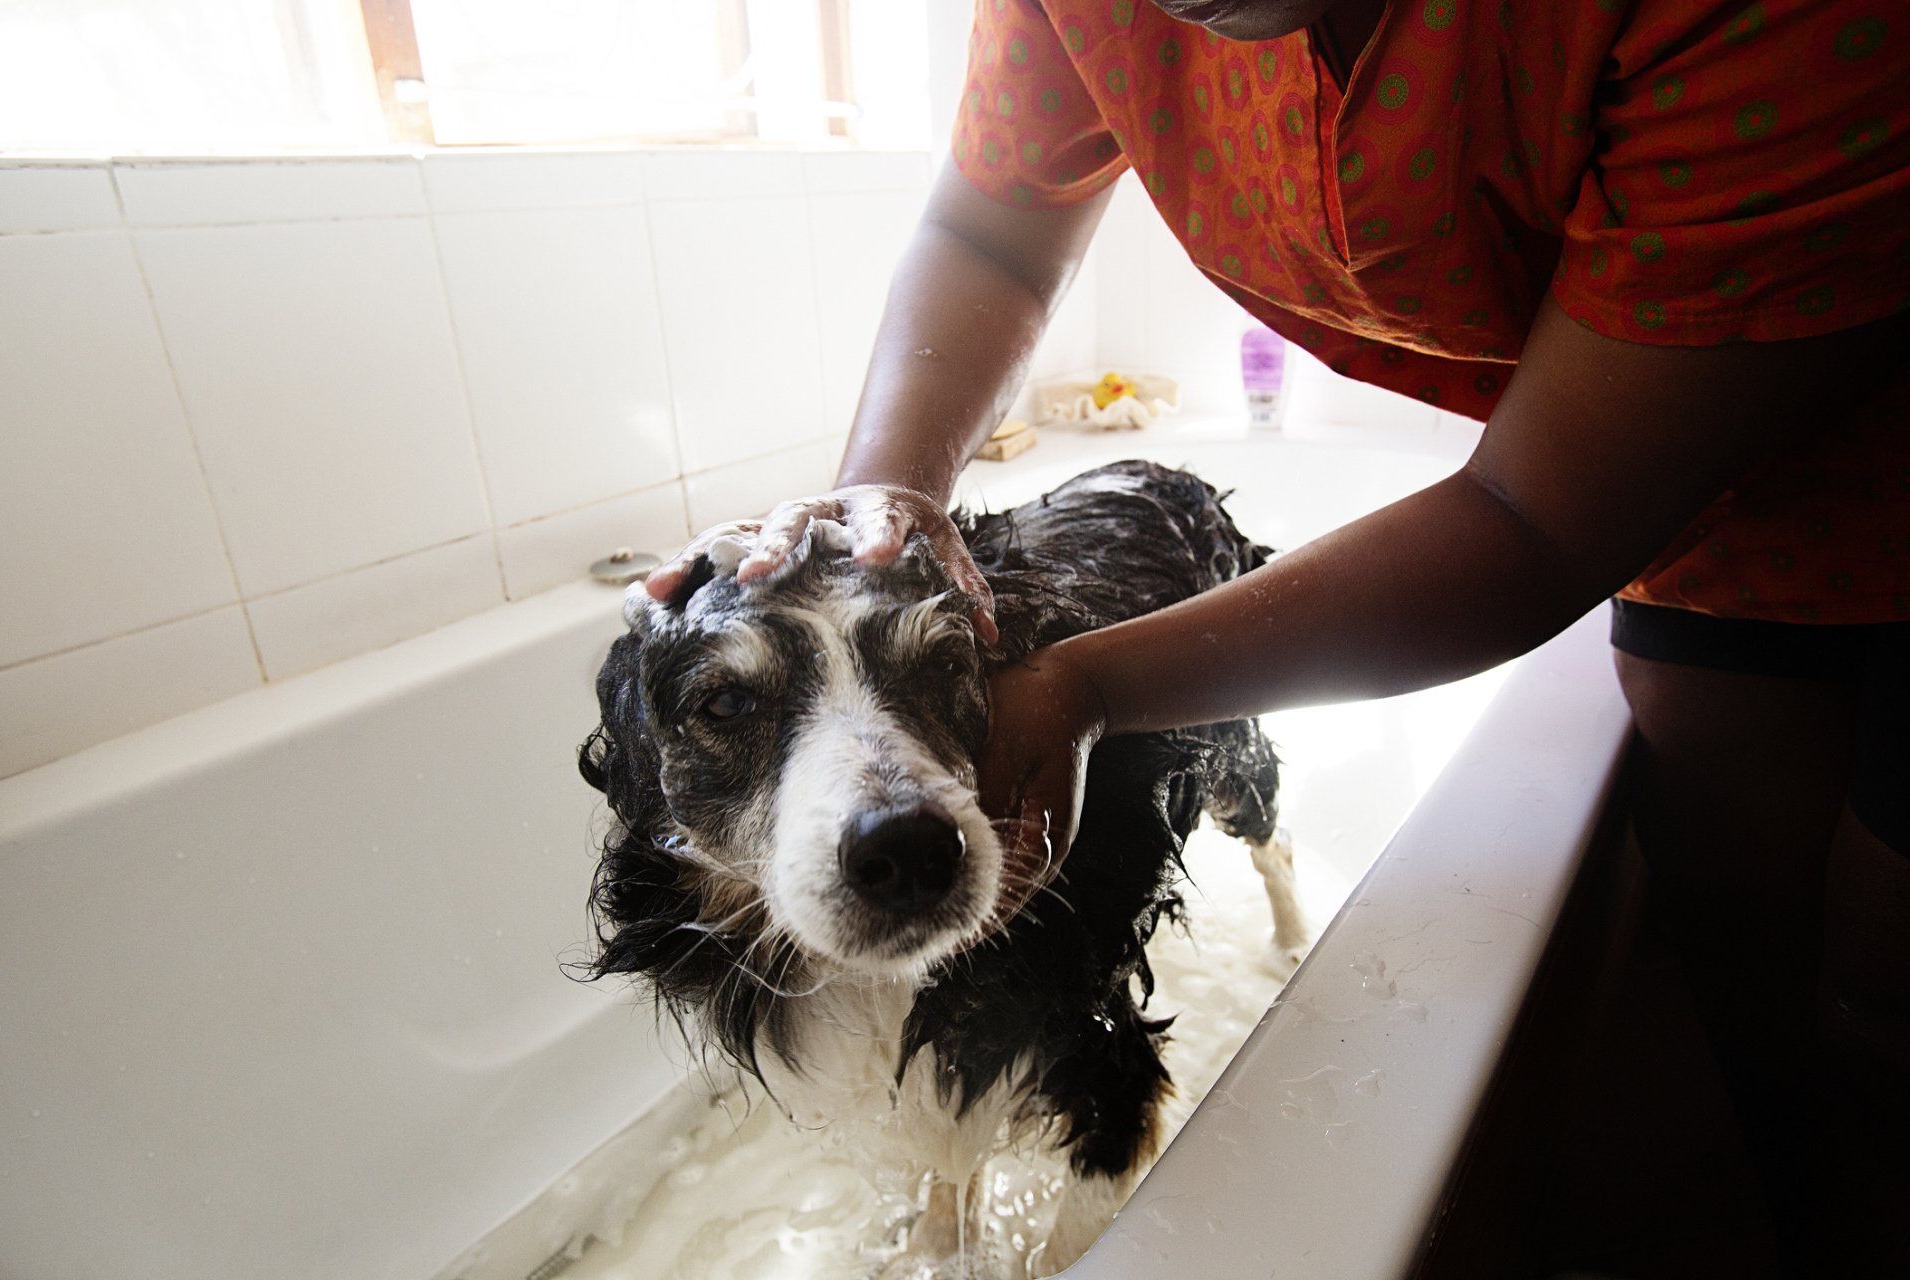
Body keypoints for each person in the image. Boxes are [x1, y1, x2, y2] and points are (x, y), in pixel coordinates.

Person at [646, 1, 1907, 1270]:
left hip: (1799, 434)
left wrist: (1084, 688)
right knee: (1745, 933)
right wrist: (892, 495)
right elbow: (990, 227)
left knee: (1882, 977)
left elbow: (1528, 517)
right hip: (1693, 514)